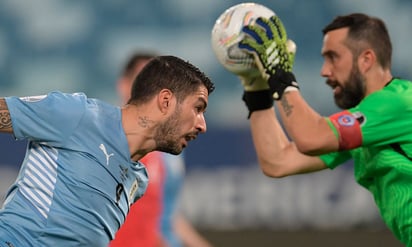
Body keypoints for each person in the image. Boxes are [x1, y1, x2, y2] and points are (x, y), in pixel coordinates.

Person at [235, 13, 412, 246]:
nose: (325, 71)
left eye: (333, 57)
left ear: (366, 59)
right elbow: (278, 161)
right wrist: (258, 91)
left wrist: (279, 74)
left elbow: (311, 137)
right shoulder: (368, 125)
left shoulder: (398, 103)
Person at [0, 55, 215, 247]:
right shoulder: (78, 114)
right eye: (198, 108)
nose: (202, 125)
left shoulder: (139, 180)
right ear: (165, 101)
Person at [110, 53, 213, 247]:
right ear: (124, 85)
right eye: (142, 80)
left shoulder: (168, 151)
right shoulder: (104, 142)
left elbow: (167, 213)